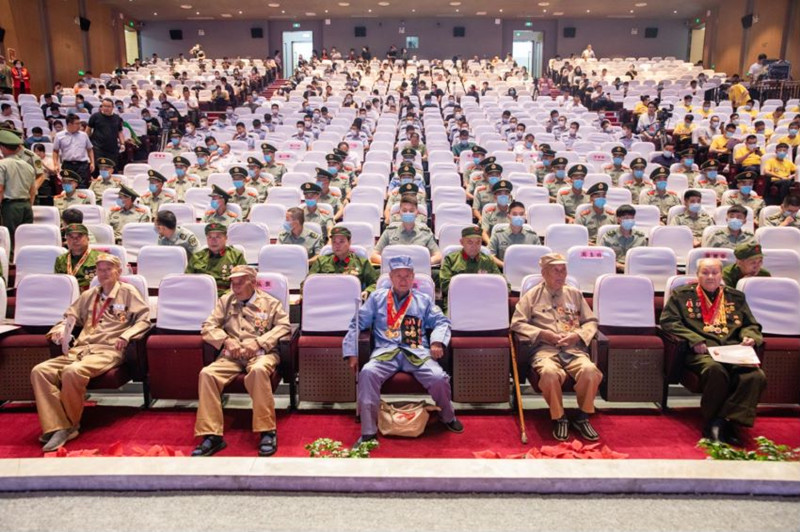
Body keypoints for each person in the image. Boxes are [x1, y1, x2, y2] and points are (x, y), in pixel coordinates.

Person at [31, 253, 150, 452]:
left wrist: (127, 335)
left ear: (118, 272)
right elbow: (70, 318)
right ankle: (58, 425)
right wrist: (60, 330)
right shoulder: (89, 295)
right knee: (40, 371)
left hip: (108, 350)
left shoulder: (128, 292)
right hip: (81, 349)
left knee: (72, 372)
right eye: (100, 270)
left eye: (108, 269)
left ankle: (70, 425)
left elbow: (144, 320)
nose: (103, 273)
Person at [342, 255, 463, 447]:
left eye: (407, 276)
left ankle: (447, 416)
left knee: (439, 377)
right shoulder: (377, 298)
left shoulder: (423, 300)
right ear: (390, 277)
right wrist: (351, 351)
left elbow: (442, 322)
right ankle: (368, 432)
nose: (403, 280)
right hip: (385, 352)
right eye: (398, 275)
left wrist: (437, 342)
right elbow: (356, 324)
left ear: (413, 277)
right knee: (367, 373)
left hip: (416, 352)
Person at [660, 257, 766, 444]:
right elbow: (669, 322)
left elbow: (751, 324)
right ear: (698, 275)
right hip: (702, 352)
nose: (710, 277)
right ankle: (712, 423)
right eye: (705, 273)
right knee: (716, 371)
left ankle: (725, 421)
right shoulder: (682, 295)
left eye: (715, 273)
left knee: (755, 376)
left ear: (721, 275)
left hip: (733, 350)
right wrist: (694, 339)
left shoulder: (735, 297)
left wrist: (750, 337)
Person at [191, 265, 291, 457]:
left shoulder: (270, 303)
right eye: (232, 283)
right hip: (233, 355)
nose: (235, 287)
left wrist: (259, 342)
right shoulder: (226, 300)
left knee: (258, 371)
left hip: (261, 354)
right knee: (207, 374)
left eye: (239, 282)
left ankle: (267, 431)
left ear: (253, 283)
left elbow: (284, 326)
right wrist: (225, 340)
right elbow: (208, 326)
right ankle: (212, 435)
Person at [510, 253, 603, 441]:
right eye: (556, 270)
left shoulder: (574, 294)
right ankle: (559, 417)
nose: (561, 275)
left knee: (590, 371)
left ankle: (582, 416)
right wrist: (543, 334)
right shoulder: (532, 296)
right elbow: (517, 324)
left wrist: (577, 335)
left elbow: (591, 322)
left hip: (573, 349)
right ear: (544, 273)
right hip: (545, 350)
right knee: (550, 373)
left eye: (563, 270)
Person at [439, 225, 504, 312]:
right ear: (462, 242)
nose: (474, 246)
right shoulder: (451, 259)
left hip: (484, 303)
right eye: (470, 242)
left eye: (478, 242)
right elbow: (445, 285)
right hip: (457, 302)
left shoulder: (487, 261)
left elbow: (503, 284)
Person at [308, 227, 378, 300]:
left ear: (349, 242)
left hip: (351, 301)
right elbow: (307, 283)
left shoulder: (361, 263)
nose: (337, 245)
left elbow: (375, 283)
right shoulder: (321, 262)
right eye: (334, 242)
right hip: (326, 300)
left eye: (341, 241)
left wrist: (367, 291)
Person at [372, 195, 441, 266]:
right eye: (404, 211)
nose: (408, 213)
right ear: (399, 212)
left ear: (417, 212)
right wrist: (393, 263)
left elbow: (438, 256)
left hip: (419, 269)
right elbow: (374, 255)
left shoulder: (425, 233)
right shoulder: (389, 232)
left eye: (411, 211)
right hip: (394, 270)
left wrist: (421, 263)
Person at [0, 129, 36, 253]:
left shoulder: (2, 165)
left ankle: (10, 263)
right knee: (25, 239)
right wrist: (29, 205)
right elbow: (32, 191)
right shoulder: (28, 166)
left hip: (10, 207)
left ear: (3, 148)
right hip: (26, 206)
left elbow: (0, 189)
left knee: (8, 241)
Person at [186, 222, 246, 296]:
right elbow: (187, 282)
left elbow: (244, 282)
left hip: (227, 296)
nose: (213, 240)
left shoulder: (236, 256)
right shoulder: (197, 257)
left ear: (226, 238)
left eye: (218, 237)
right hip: (200, 295)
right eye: (210, 237)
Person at [488, 201, 540, 268]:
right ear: (508, 216)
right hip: (503, 270)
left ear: (525, 216)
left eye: (521, 214)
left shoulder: (533, 237)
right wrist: (505, 266)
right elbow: (490, 255)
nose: (518, 217)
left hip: (527, 271)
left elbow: (540, 257)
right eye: (515, 214)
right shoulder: (498, 235)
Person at [598, 204, 647, 272]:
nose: (629, 220)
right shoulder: (608, 237)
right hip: (613, 270)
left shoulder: (640, 237)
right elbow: (602, 257)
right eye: (626, 218)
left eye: (632, 218)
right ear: (618, 219)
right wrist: (619, 266)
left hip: (634, 271)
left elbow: (643, 259)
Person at [53, 114, 95, 188]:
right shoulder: (59, 136)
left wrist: (92, 162)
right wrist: (56, 164)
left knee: (82, 186)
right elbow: (55, 151)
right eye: (77, 123)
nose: (79, 125)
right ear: (69, 124)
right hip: (68, 164)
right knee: (68, 186)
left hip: (82, 165)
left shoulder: (84, 135)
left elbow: (90, 149)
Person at [54, 223, 100, 290]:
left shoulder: (100, 258)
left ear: (88, 238)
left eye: (79, 236)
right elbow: (58, 284)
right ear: (66, 240)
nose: (75, 240)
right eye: (71, 237)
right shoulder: (60, 259)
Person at [86, 98, 125, 170]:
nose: (106, 108)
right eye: (104, 106)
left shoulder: (117, 118)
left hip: (112, 149)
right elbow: (88, 130)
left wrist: (122, 143)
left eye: (108, 106)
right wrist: (86, 143)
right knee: (99, 169)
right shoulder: (95, 116)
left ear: (112, 107)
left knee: (111, 169)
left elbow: (120, 132)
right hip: (98, 148)